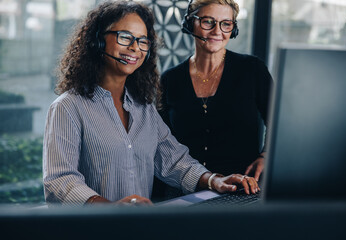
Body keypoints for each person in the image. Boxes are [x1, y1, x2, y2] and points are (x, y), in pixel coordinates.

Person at [42, 1, 259, 206]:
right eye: (125, 37)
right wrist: (111, 208)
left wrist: (215, 181)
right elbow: (60, 181)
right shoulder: (67, 107)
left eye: (142, 41)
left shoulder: (144, 108)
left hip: (140, 228)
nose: (135, 48)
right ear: (98, 40)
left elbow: (175, 162)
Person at [157, 0, 273, 197]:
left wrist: (266, 154)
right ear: (189, 24)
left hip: (244, 187)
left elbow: (281, 123)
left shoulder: (252, 70)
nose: (217, 31)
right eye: (208, 21)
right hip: (187, 190)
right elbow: (162, 143)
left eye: (226, 24)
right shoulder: (170, 79)